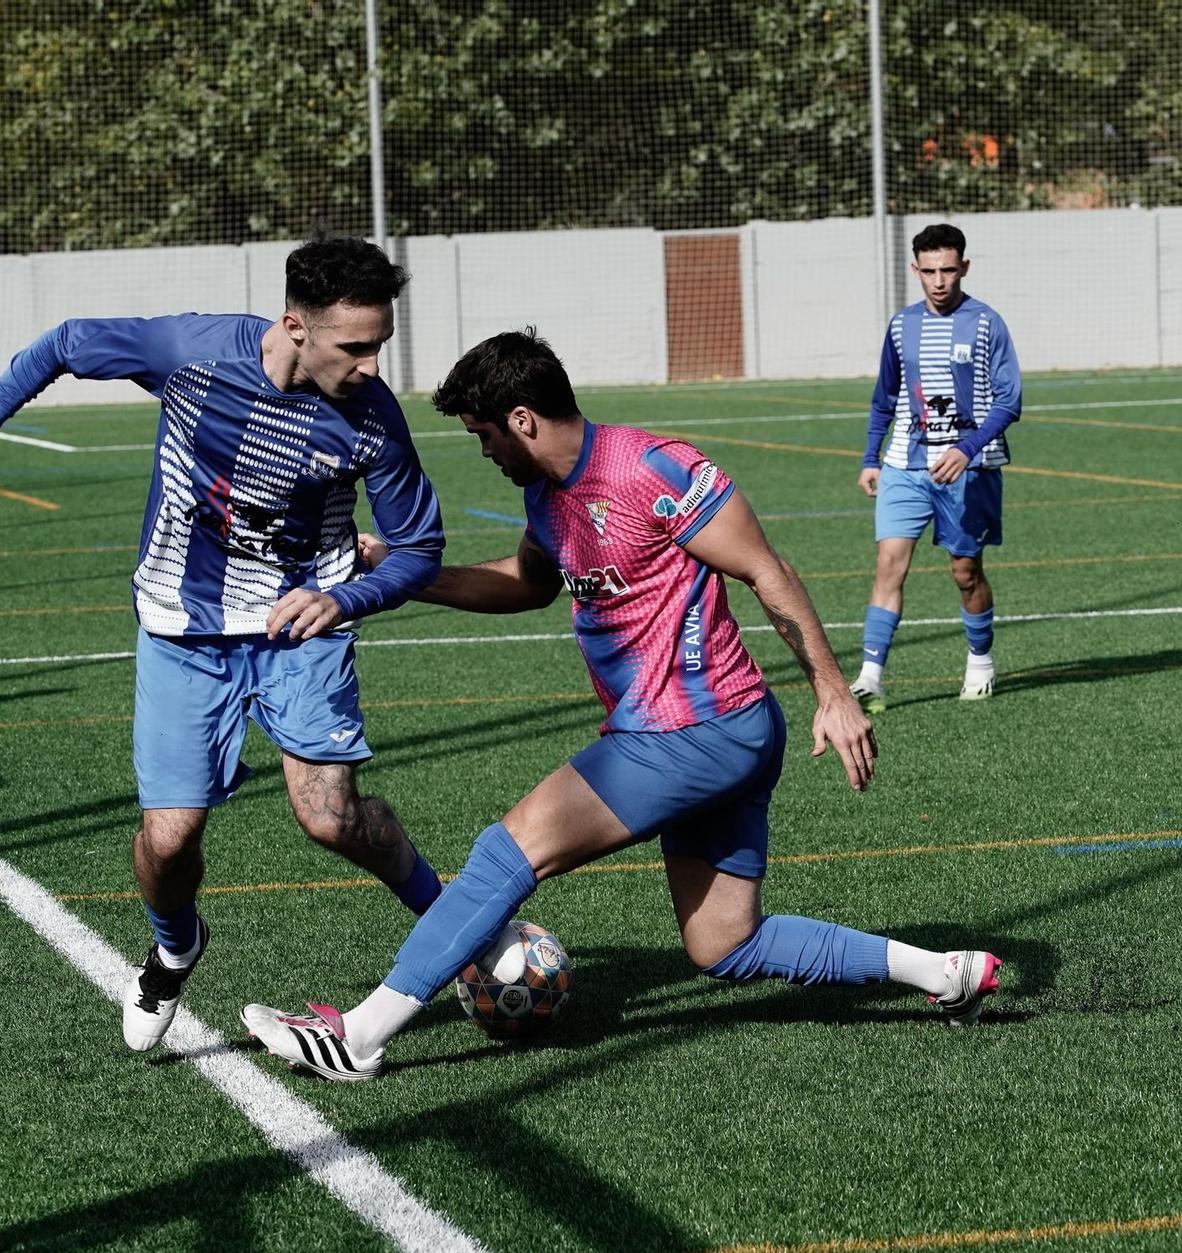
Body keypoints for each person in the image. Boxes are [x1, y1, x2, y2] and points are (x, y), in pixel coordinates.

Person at [242, 329, 1003, 1081]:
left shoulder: (655, 468)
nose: (484, 453)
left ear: (522, 420)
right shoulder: (547, 497)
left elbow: (766, 571)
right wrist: (403, 575)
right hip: (717, 734)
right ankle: (946, 973)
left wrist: (834, 694)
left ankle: (360, 1036)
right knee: (723, 943)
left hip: (692, 730)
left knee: (507, 850)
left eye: (483, 435)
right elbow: (528, 584)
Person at [0, 237, 491, 1054]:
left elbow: (418, 547)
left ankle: (457, 929)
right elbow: (64, 343)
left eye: (379, 343)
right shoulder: (194, 353)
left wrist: (342, 597)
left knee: (332, 817)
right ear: (294, 327)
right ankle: (174, 949)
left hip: (300, 628)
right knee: (169, 841)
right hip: (183, 628)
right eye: (354, 346)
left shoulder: (373, 416)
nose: (372, 365)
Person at [851, 222, 1021, 713]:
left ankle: (980, 662)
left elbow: (1009, 401)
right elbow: (884, 398)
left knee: (965, 572)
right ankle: (870, 677)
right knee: (889, 564)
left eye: (948, 270)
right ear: (915, 270)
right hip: (905, 465)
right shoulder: (901, 326)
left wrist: (967, 448)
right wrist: (871, 457)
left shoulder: (987, 323)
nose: (939, 281)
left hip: (970, 468)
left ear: (964, 267)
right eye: (929, 271)